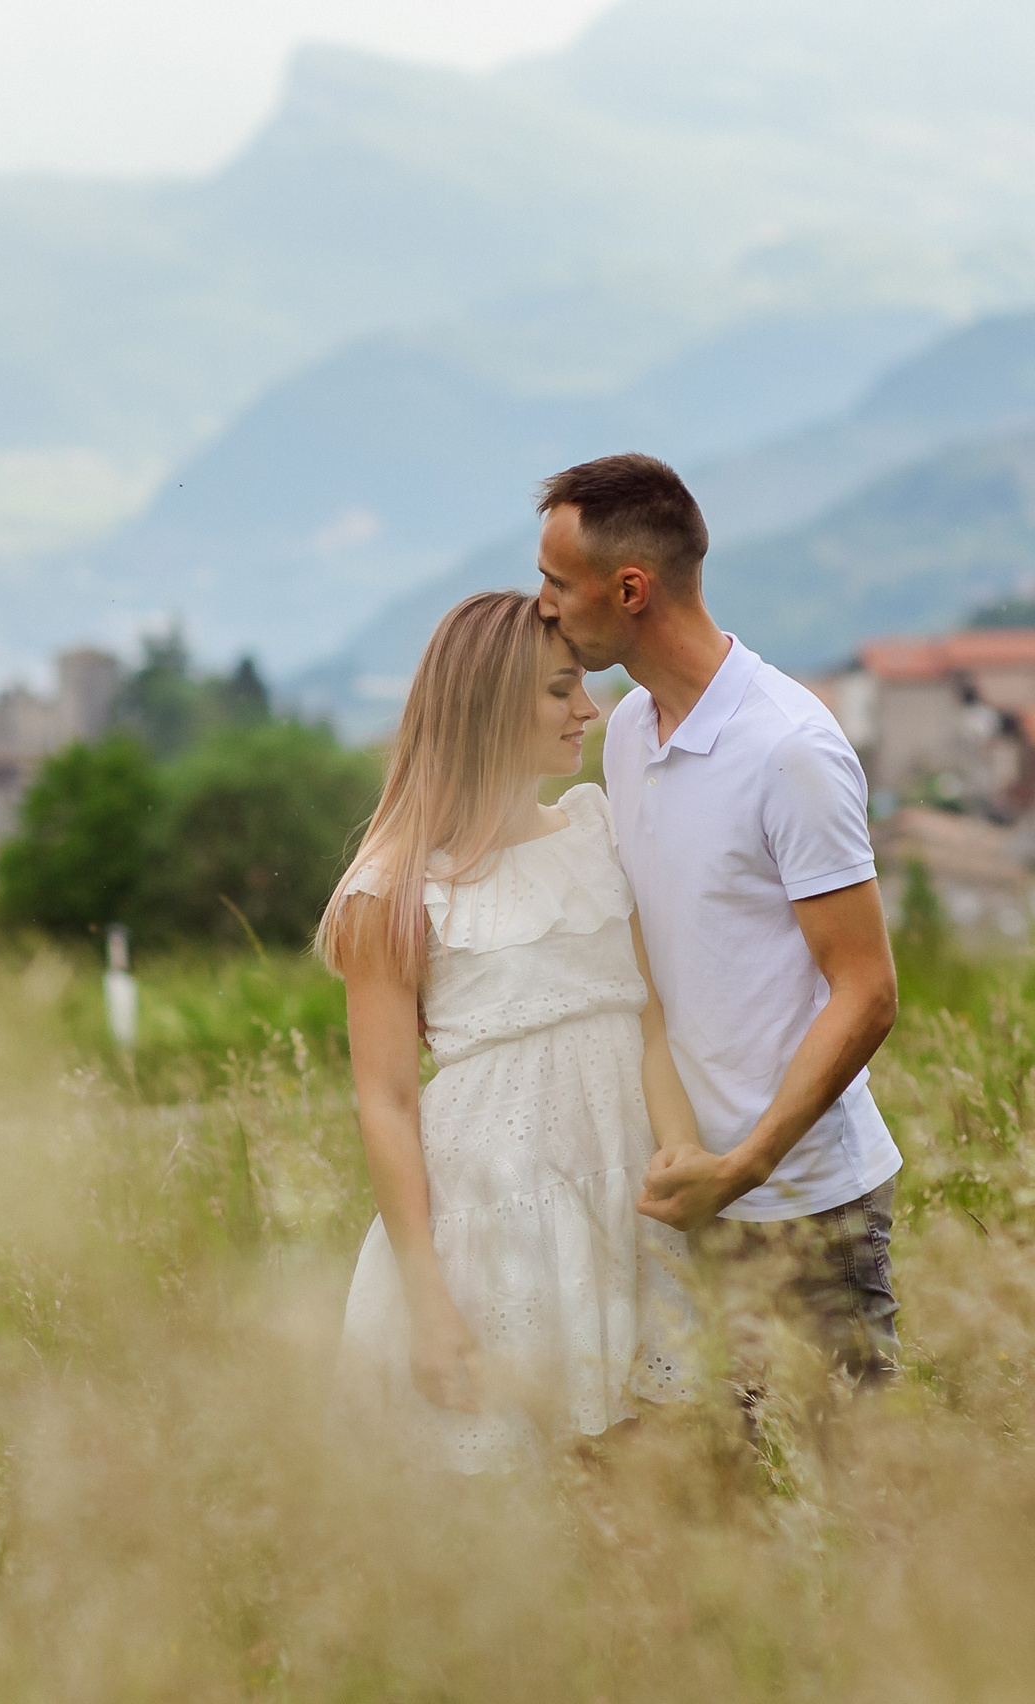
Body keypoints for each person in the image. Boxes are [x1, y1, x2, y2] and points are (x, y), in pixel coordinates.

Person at [534, 452, 904, 1384]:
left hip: (807, 1204)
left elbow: (867, 991)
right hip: (682, 1194)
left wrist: (744, 1167)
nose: (543, 605)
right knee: (725, 1475)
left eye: (556, 583)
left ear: (630, 590)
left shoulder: (789, 748)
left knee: (852, 1467)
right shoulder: (627, 731)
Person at [319, 590, 701, 1473]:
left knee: (651, 1487)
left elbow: (652, 1025)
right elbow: (386, 1102)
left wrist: (681, 1157)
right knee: (509, 1493)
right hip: (493, 1226)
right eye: (560, 690)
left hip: (626, 1201)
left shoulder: (598, 831)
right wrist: (427, 1302)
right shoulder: (394, 887)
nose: (587, 710)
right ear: (487, 706)